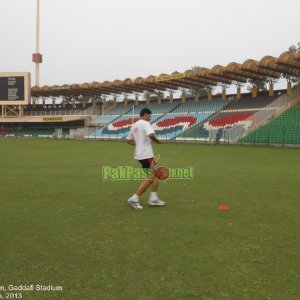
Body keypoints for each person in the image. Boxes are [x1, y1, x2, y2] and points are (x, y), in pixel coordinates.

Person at [126, 108, 166, 210]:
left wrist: (139, 145)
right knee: (150, 177)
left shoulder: (134, 125)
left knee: (156, 174)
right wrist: (157, 141)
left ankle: (153, 198)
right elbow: (150, 135)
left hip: (142, 155)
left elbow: (128, 140)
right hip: (146, 155)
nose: (150, 117)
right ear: (146, 114)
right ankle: (134, 199)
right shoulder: (145, 123)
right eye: (149, 115)